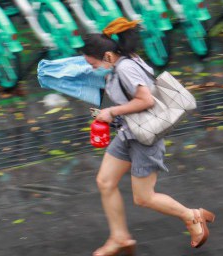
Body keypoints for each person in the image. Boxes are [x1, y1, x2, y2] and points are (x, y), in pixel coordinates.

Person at [80, 17, 215, 256]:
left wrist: (111, 111)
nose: (94, 69)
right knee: (105, 182)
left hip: (144, 139)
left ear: (108, 57)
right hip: (128, 133)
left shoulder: (125, 68)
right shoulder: (122, 58)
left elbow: (146, 100)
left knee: (144, 198)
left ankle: (192, 216)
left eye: (94, 64)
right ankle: (119, 238)